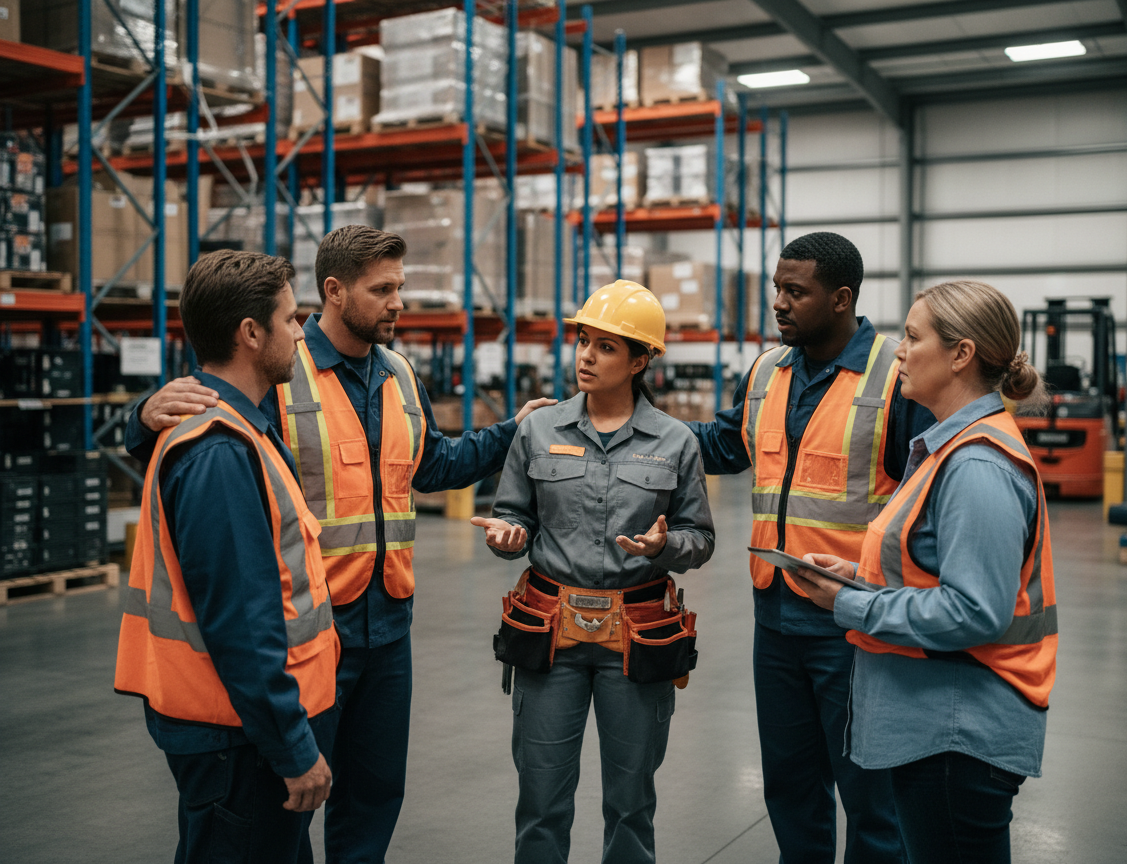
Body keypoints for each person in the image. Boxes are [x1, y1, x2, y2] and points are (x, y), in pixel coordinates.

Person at [124, 226, 555, 864]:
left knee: (374, 796)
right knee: (286, 806)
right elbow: (206, 434)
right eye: (382, 289)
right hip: (312, 634)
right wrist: (142, 414)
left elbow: (429, 465)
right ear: (334, 291)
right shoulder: (278, 364)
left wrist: (509, 434)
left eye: (400, 287)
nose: (398, 302)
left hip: (389, 625)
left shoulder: (400, 373)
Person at [687, 232, 935, 864]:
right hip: (774, 619)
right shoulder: (769, 372)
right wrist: (628, 424)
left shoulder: (893, 375)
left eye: (796, 291)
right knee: (791, 787)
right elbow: (721, 445)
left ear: (841, 298)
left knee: (871, 795)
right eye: (777, 288)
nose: (779, 303)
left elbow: (929, 500)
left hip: (856, 624)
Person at [790, 280, 1057, 864]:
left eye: (913, 338)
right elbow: (930, 571)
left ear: (961, 354)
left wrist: (848, 604)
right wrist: (856, 577)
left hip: (958, 734)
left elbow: (974, 610)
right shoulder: (946, 448)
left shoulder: (977, 465)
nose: (900, 352)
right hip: (939, 726)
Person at [472, 280, 714, 864]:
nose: (586, 356)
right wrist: (510, 537)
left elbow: (699, 539)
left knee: (631, 804)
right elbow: (513, 517)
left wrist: (663, 546)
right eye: (584, 341)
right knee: (541, 801)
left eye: (606, 347)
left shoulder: (675, 442)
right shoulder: (538, 430)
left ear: (640, 361)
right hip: (550, 635)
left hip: (636, 636)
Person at [114, 250, 339, 864]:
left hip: (239, 729)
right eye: (292, 320)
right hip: (237, 738)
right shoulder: (218, 450)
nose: (301, 333)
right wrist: (293, 748)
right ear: (251, 334)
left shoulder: (243, 419)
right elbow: (242, 623)